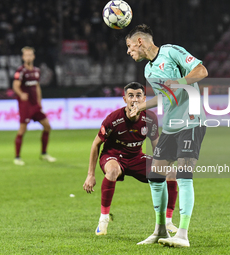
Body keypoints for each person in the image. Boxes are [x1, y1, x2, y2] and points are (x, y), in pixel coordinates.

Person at [126, 24, 208, 247]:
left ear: (140, 42)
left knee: (183, 175)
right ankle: (160, 229)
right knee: (155, 176)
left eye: (129, 45)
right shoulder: (148, 71)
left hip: (191, 121)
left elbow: (201, 71)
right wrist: (141, 106)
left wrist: (178, 82)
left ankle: (182, 234)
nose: (128, 51)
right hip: (171, 126)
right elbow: (165, 97)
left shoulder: (171, 51)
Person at [83, 82, 178, 236]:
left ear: (144, 99)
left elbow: (156, 145)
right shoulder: (113, 119)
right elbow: (95, 145)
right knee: (113, 170)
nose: (135, 99)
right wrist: (90, 175)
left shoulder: (150, 118)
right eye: (131, 96)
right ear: (124, 99)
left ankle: (167, 222)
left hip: (136, 157)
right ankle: (103, 220)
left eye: (138, 95)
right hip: (112, 156)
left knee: (171, 173)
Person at [12, 46, 56, 165]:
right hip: (25, 105)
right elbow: (15, 85)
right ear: (23, 57)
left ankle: (44, 153)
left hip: (35, 105)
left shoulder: (36, 71)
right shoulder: (20, 71)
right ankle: (17, 157)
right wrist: (21, 94)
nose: (28, 57)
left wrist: (39, 101)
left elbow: (37, 86)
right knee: (22, 130)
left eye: (30, 54)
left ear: (34, 56)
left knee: (47, 126)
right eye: (26, 55)